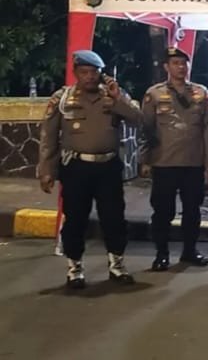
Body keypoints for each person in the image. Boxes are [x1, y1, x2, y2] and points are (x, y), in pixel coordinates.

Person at [38, 50, 142, 289]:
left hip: (108, 167)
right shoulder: (62, 98)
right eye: (84, 72)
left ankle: (117, 265)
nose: (90, 77)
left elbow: (139, 120)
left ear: (101, 73)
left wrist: (118, 100)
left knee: (114, 218)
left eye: (94, 72)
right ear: (76, 73)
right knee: (75, 219)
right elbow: (49, 137)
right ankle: (75, 268)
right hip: (76, 168)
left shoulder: (114, 95)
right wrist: (46, 170)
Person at [141, 47, 208, 271]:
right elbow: (146, 128)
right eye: (175, 63)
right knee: (163, 212)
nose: (181, 67)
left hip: (193, 162)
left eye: (184, 63)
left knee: (193, 211)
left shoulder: (200, 93)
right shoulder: (154, 94)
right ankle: (162, 254)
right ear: (167, 67)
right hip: (163, 162)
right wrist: (145, 160)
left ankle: (190, 251)